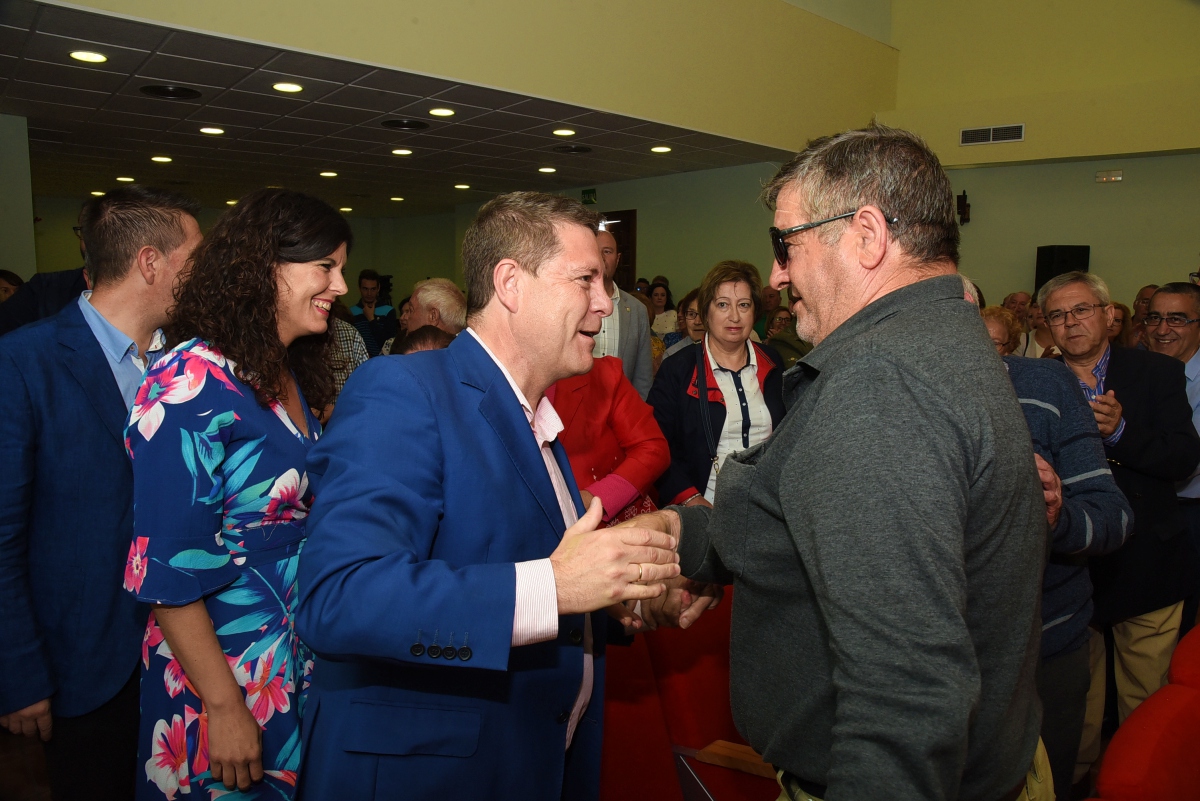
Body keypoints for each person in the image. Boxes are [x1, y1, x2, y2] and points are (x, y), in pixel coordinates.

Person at [634, 124, 1050, 801]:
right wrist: (683, 534)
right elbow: (824, 518)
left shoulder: (881, 384)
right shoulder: (937, 335)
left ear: (866, 234)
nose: (776, 275)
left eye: (786, 245)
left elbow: (906, 700)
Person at [293, 191, 681, 801]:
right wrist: (558, 588)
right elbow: (340, 595)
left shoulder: (535, 418)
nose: (607, 302)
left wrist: (613, 599)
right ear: (510, 284)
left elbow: (511, 565)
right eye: (585, 279)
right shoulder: (404, 389)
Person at [122, 188, 350, 800]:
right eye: (325, 266)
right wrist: (222, 705)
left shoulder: (284, 369)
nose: (340, 285)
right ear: (264, 267)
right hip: (222, 666)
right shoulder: (189, 379)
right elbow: (165, 566)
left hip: (293, 650)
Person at [0, 185, 202, 801]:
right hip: (84, 666)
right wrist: (18, 672)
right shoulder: (23, 362)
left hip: (186, 657)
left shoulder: (189, 366)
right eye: (195, 257)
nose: (206, 272)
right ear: (150, 262)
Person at [1037, 272, 1200, 784]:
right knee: (1076, 704)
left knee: (1146, 701)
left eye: (1082, 309)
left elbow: (1183, 458)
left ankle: (1137, 785)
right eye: (1058, 315)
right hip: (1070, 564)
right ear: (1046, 327)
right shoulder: (1034, 379)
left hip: (1148, 559)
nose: (1071, 322)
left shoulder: (1156, 372)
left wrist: (1121, 432)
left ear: (1110, 315)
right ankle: (1074, 784)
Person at [996, 351, 1132, 800]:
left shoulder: (1046, 383)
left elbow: (1113, 517)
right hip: (932, 664)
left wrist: (1057, 516)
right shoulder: (877, 385)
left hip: (1047, 648)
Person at [648, 260, 785, 508]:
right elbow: (655, 446)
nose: (734, 316)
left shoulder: (773, 362)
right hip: (704, 509)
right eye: (723, 304)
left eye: (744, 305)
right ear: (706, 312)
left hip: (766, 509)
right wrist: (690, 499)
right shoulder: (678, 369)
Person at [551, 355, 670, 525]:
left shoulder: (602, 375)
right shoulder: (508, 393)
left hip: (606, 525)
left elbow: (652, 447)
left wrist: (595, 498)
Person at [1145, 283, 1200, 633]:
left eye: (1177, 319)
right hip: (1144, 511)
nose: (1162, 329)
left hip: (1190, 514)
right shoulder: (1136, 371)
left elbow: (1187, 459)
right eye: (1154, 318)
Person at [591, 229, 653, 398]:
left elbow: (643, 375)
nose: (601, 257)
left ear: (617, 259)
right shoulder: (572, 302)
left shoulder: (637, 310)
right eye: (595, 250)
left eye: (607, 251)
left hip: (622, 406)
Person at [350, 269, 397, 356]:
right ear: (359, 288)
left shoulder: (388, 311)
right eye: (365, 289)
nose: (369, 293)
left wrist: (371, 320)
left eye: (373, 289)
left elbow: (388, 344)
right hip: (359, 360)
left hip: (381, 360)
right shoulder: (351, 312)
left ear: (378, 288)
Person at [663, 288, 705, 360]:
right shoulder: (672, 355)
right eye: (691, 314)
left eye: (703, 314)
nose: (697, 322)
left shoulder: (725, 354)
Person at [1129, 283, 1159, 348]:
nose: (1148, 307)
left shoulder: (1162, 333)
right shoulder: (1120, 329)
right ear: (1135, 304)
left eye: (1153, 303)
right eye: (1145, 302)